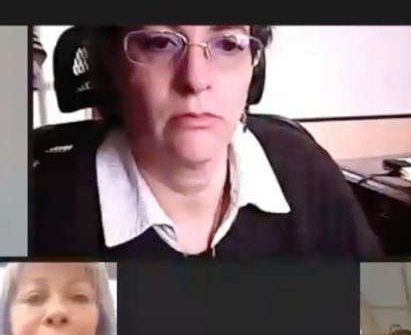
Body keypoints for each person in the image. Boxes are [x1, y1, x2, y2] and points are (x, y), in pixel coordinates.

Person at [31, 25, 382, 258]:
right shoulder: (40, 213)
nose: (196, 79)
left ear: (254, 65)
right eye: (160, 42)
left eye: (228, 44)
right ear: (112, 63)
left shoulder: (306, 170)